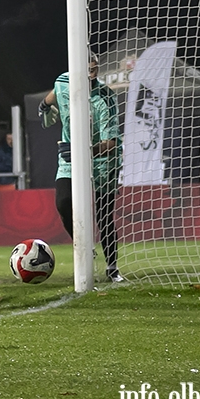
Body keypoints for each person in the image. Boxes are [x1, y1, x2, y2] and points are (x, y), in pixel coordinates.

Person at [39, 54, 123, 282]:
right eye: (88, 68)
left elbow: (112, 142)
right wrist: (45, 107)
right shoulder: (62, 83)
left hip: (102, 161)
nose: (91, 71)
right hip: (70, 160)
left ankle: (113, 268)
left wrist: (84, 152)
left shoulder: (106, 97)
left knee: (104, 215)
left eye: (94, 69)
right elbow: (49, 100)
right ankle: (83, 245)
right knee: (64, 202)